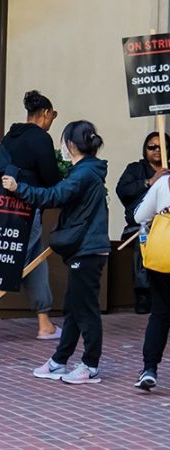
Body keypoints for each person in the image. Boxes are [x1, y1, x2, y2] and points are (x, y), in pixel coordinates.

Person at [2, 120, 108, 384]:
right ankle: (60, 360)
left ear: (71, 144)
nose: (61, 147)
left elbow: (54, 196)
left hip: (88, 250)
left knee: (85, 310)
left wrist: (19, 189)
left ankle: (90, 365)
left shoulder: (83, 174)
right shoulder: (87, 171)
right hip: (85, 249)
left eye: (63, 141)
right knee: (74, 308)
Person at [0, 90, 63, 341]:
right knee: (3, 262)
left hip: (0, 208)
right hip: (26, 209)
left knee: (36, 262)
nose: (52, 122)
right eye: (53, 116)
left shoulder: (10, 136)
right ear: (46, 113)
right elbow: (50, 177)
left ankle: (44, 322)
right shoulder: (41, 139)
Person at [116, 132, 170, 314]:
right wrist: (150, 181)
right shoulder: (135, 169)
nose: (156, 150)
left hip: (166, 226)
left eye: (161, 146)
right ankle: (143, 294)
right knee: (143, 240)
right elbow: (123, 190)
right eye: (152, 147)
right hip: (140, 226)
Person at [133, 168, 170, 390]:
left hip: (162, 256)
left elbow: (139, 216)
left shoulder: (162, 184)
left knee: (160, 314)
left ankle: (149, 368)